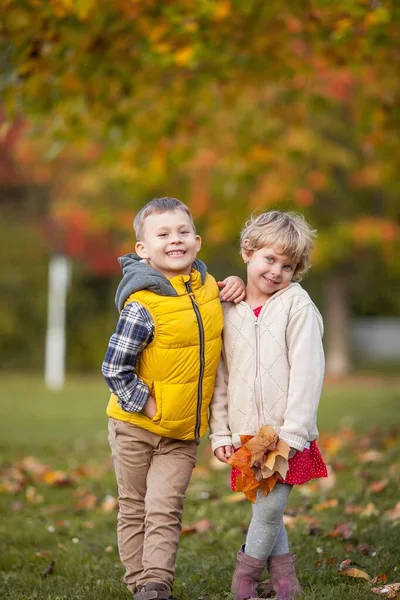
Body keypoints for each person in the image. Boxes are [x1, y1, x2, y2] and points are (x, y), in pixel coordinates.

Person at [101, 197, 245, 600]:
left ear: (197, 242)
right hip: (134, 427)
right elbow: (115, 367)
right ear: (143, 250)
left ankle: (156, 583)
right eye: (162, 234)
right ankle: (139, 584)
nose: (175, 240)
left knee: (165, 508)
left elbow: (225, 313)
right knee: (134, 506)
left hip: (182, 434)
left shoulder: (208, 290)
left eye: (182, 232)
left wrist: (237, 284)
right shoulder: (142, 305)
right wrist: (146, 404)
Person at [209, 210, 327, 600]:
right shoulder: (227, 308)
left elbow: (308, 373)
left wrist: (294, 431)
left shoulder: (297, 305)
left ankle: (244, 577)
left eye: (288, 265)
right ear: (247, 252)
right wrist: (221, 432)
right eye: (270, 259)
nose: (277, 271)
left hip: (283, 431)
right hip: (245, 430)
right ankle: (285, 582)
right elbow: (221, 377)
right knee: (265, 505)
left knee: (270, 509)